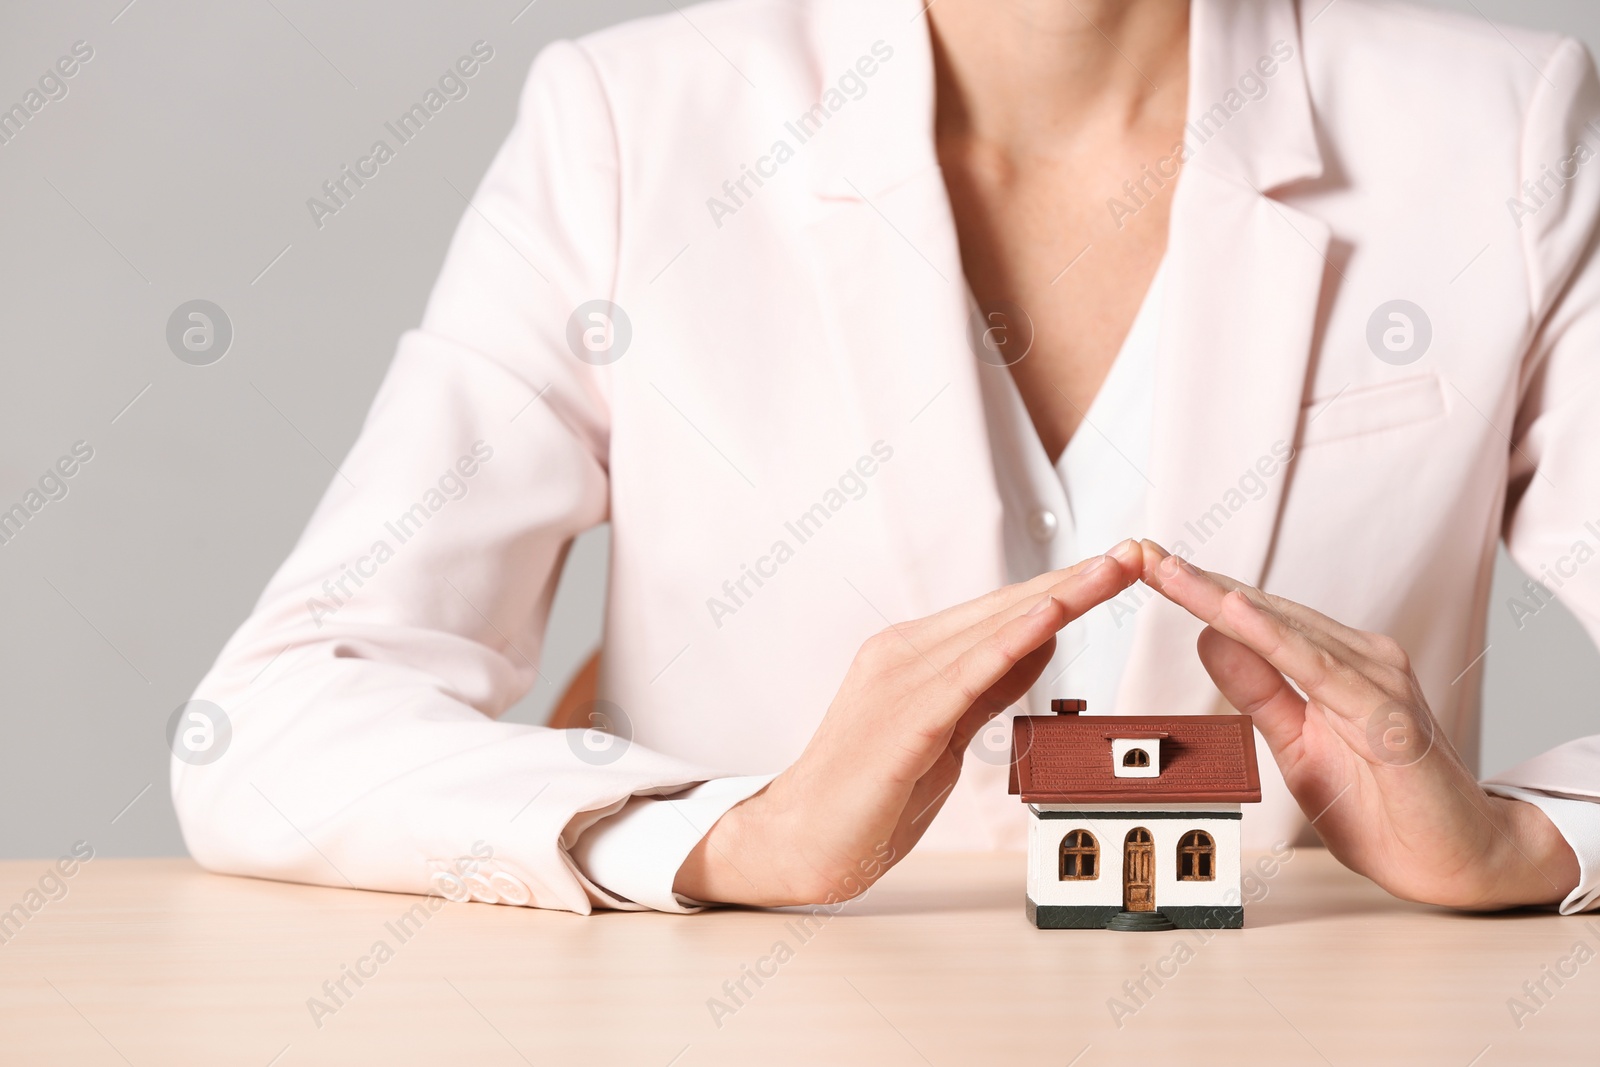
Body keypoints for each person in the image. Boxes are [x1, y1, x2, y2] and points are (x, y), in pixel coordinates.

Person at [172, 0, 1599, 916]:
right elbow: (279, 717)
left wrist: (1528, 847)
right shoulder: (632, 126)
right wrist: (726, 840)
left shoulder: (1502, 121)